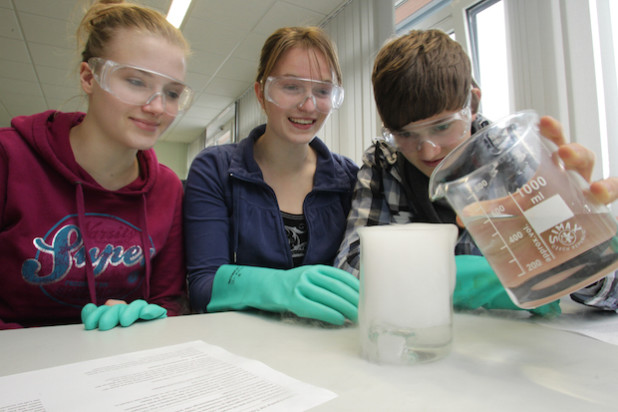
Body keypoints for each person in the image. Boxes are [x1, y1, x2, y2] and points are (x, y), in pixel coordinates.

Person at [335, 29, 618, 314]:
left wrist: (587, 240)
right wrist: (445, 273)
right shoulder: (384, 163)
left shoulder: (515, 156)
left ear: (471, 104)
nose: (428, 151)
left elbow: (611, 287)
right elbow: (351, 271)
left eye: (442, 126)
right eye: (405, 134)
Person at [0, 0, 193, 330]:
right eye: (136, 81)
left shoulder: (167, 188)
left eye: (172, 93)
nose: (158, 106)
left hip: (115, 366)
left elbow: (168, 301)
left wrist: (146, 320)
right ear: (89, 77)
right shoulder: (10, 157)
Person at [184, 26, 359, 326]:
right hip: (240, 348)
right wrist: (277, 287)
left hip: (324, 346)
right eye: (291, 87)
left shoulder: (349, 178)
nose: (308, 105)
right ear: (261, 94)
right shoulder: (214, 169)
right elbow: (202, 287)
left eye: (323, 91)